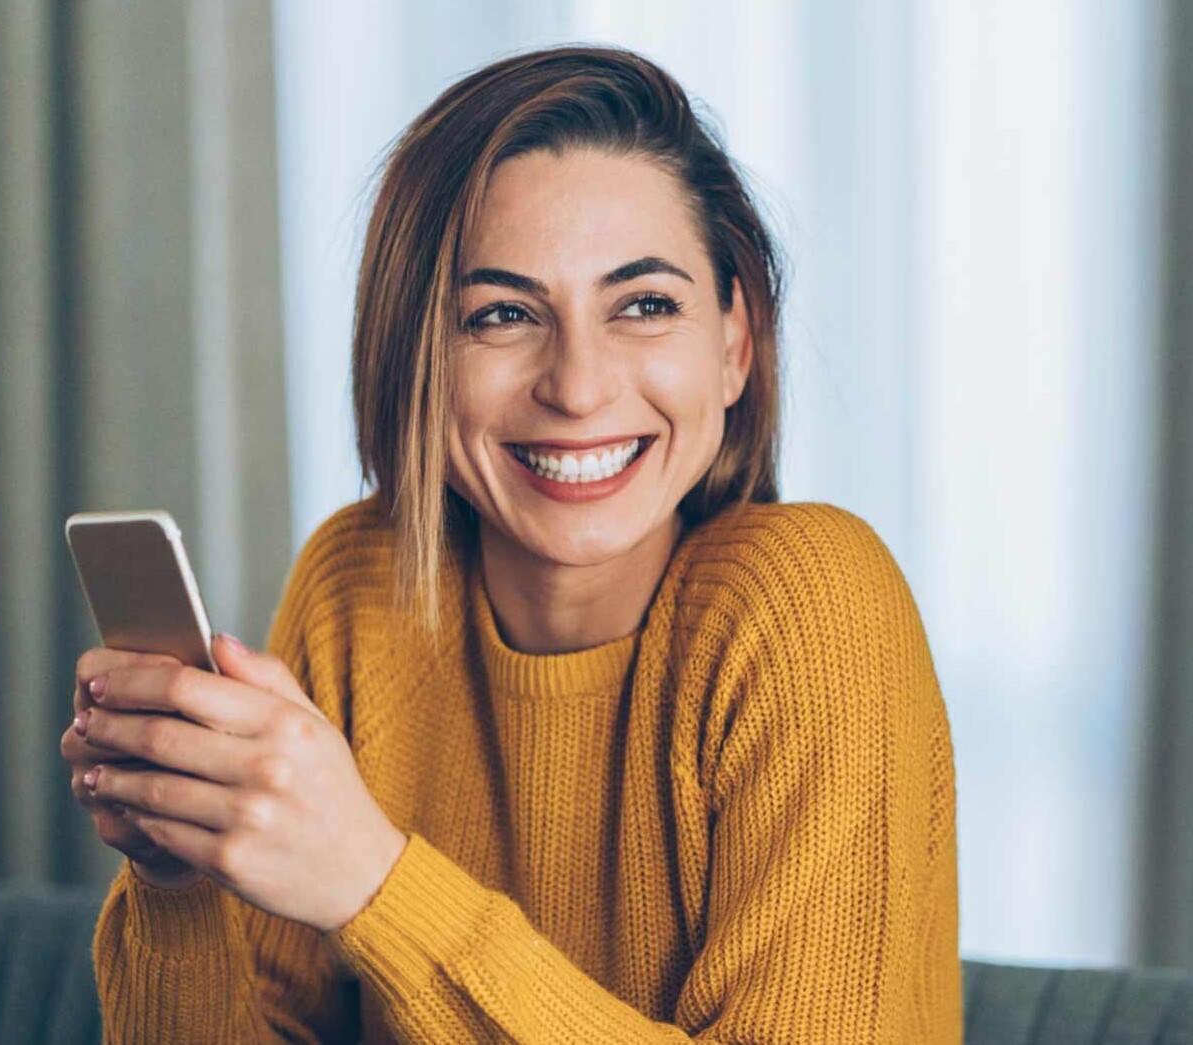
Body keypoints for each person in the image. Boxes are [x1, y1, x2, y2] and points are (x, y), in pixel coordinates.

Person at [60, 45, 959, 1043]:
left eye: (645, 304)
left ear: (734, 344)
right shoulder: (360, 587)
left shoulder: (813, 605)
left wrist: (374, 884)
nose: (577, 385)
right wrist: (179, 876)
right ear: (417, 356)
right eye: (502, 315)